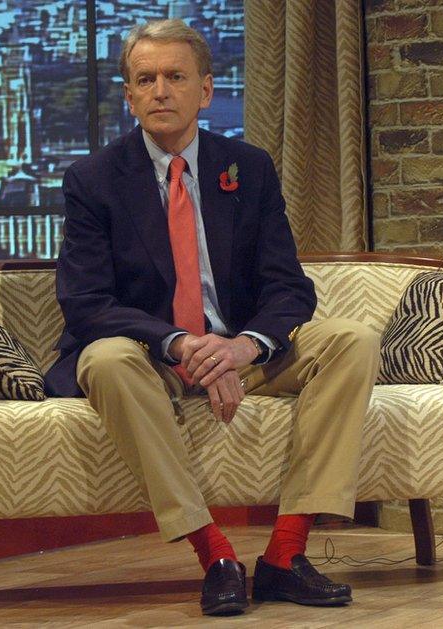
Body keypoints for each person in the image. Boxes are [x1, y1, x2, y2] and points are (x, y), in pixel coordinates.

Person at [45, 19, 380, 617]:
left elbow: (288, 289)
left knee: (351, 340)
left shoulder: (247, 168)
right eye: (144, 80)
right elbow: (87, 303)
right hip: (150, 359)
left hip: (235, 353)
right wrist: (181, 344)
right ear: (129, 95)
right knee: (106, 359)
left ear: (205, 90)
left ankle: (285, 555)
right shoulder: (93, 181)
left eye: (175, 77)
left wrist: (243, 348)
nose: (160, 91)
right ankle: (215, 555)